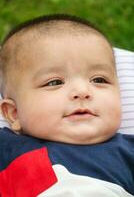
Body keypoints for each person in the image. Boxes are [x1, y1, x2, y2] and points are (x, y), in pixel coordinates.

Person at [0, 14, 133, 197]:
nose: (82, 91)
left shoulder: (128, 152)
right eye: (54, 82)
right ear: (14, 114)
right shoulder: (7, 147)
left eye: (99, 79)